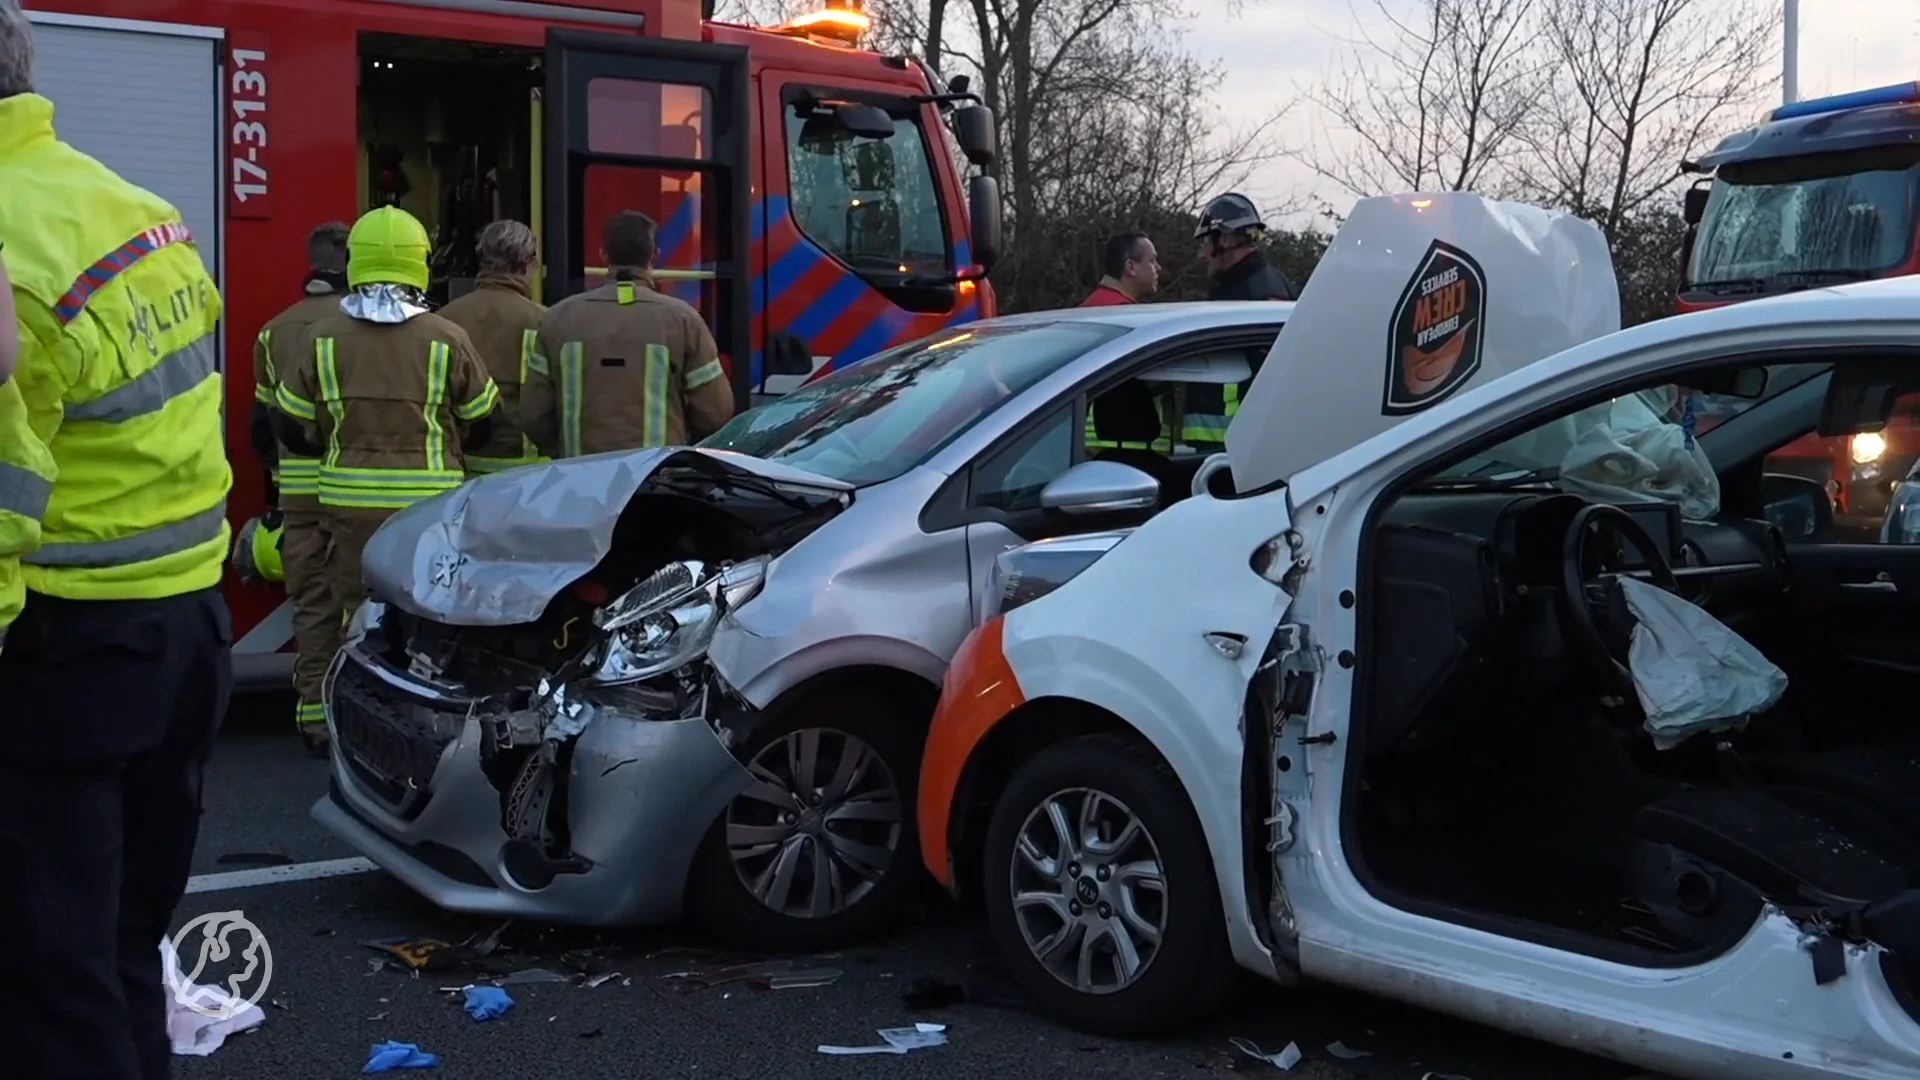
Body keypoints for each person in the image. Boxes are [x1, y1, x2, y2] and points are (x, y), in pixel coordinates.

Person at [0, 5, 238, 1074]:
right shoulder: (134, 207)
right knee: (122, 941)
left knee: (52, 973)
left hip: (69, 657)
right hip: (189, 632)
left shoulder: (8, 248)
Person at [272, 206, 499, 628]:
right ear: (420, 262)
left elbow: (287, 424)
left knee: (358, 617)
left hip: (348, 508)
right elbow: (485, 421)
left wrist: (335, 444)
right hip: (429, 509)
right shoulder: (447, 338)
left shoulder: (321, 337)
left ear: (356, 260)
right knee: (427, 618)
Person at [249, 220, 350, 754]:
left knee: (313, 606)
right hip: (356, 492)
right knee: (363, 609)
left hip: (299, 496)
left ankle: (314, 717)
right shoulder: (360, 326)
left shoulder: (274, 330)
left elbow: (263, 429)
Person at [522, 210, 734, 457]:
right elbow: (715, 413)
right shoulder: (684, 320)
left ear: (603, 256)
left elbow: (533, 415)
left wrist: (563, 450)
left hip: (579, 477)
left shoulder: (557, 319)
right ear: (654, 256)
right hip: (654, 482)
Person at [437, 219, 548, 475]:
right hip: (525, 472)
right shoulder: (545, 321)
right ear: (529, 263)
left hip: (461, 468)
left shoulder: (443, 320)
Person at [1189, 193, 1295, 449]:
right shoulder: (1240, 289)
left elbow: (1276, 373)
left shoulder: (1261, 294)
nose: (1202, 253)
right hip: (1226, 446)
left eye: (1205, 241)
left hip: (1241, 447)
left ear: (1224, 239)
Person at [1080, 232, 1159, 306]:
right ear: (1131, 267)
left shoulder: (1096, 304)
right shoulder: (1120, 312)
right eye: (1152, 260)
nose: (1158, 268)